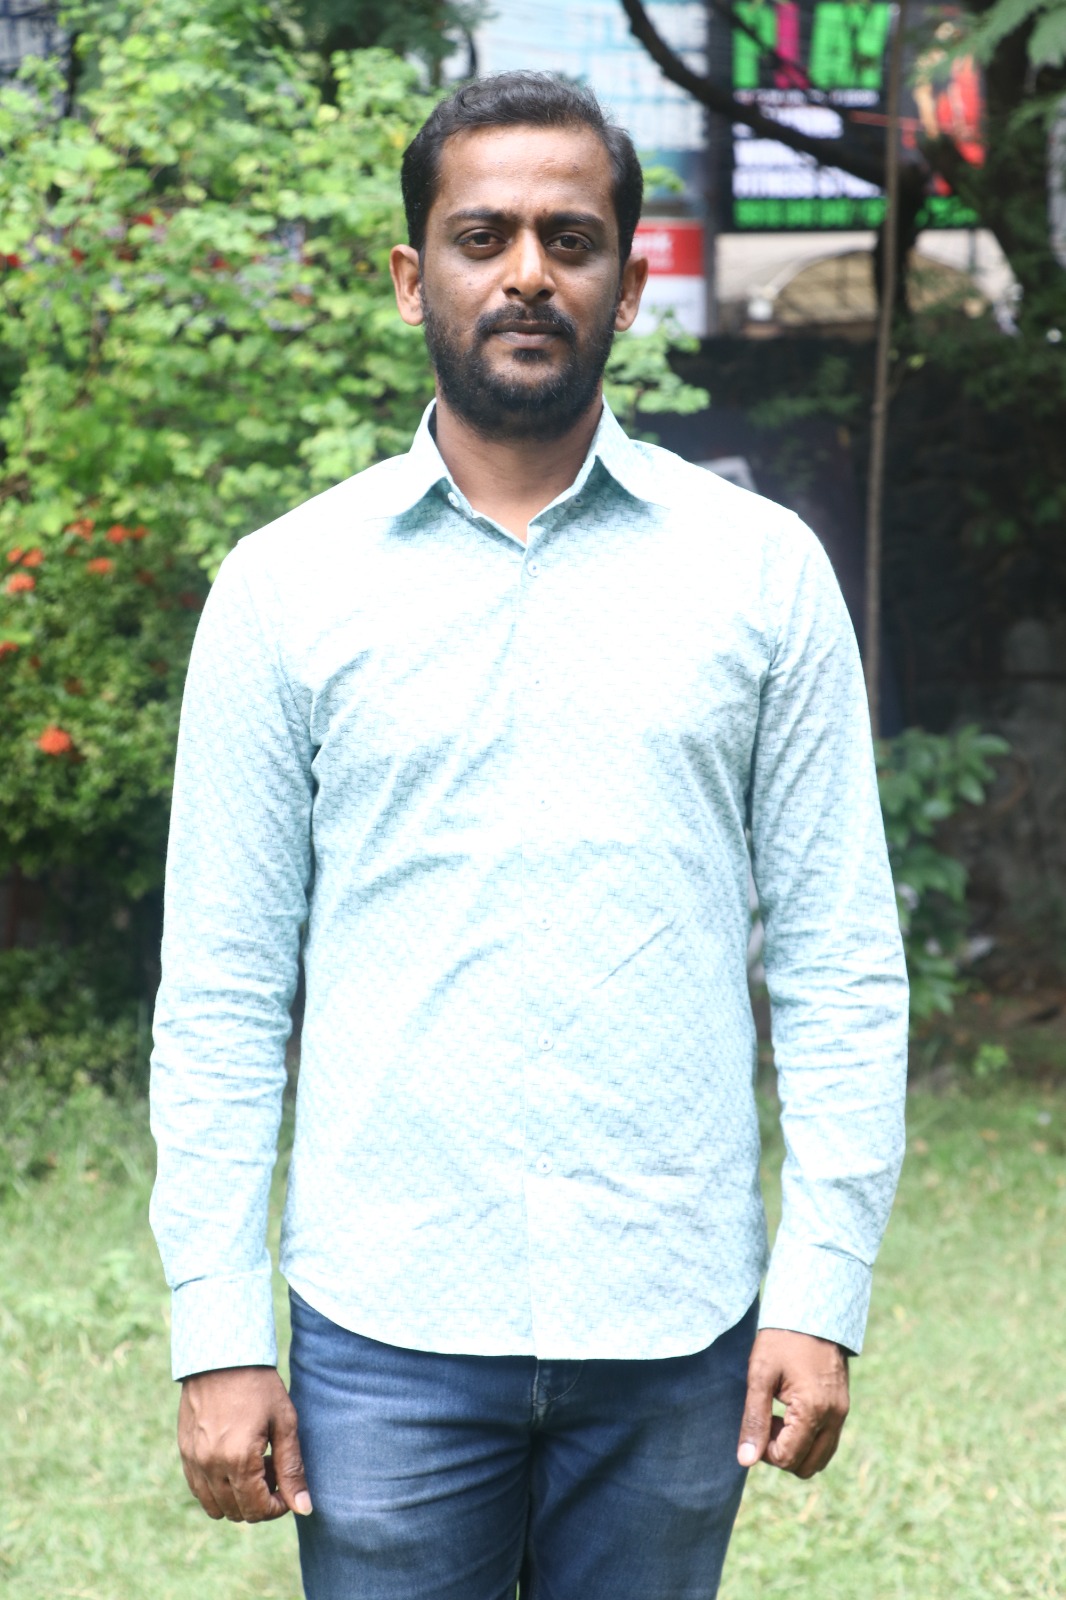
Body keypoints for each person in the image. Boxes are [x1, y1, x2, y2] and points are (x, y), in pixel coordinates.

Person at [150, 71, 908, 1600]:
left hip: (675, 1323)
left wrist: (819, 1293)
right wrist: (219, 1332)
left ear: (628, 285)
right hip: (385, 1328)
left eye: (569, 240)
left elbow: (839, 962)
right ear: (408, 276)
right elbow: (222, 990)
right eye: (480, 235)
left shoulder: (760, 575)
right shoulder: (285, 588)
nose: (524, 275)